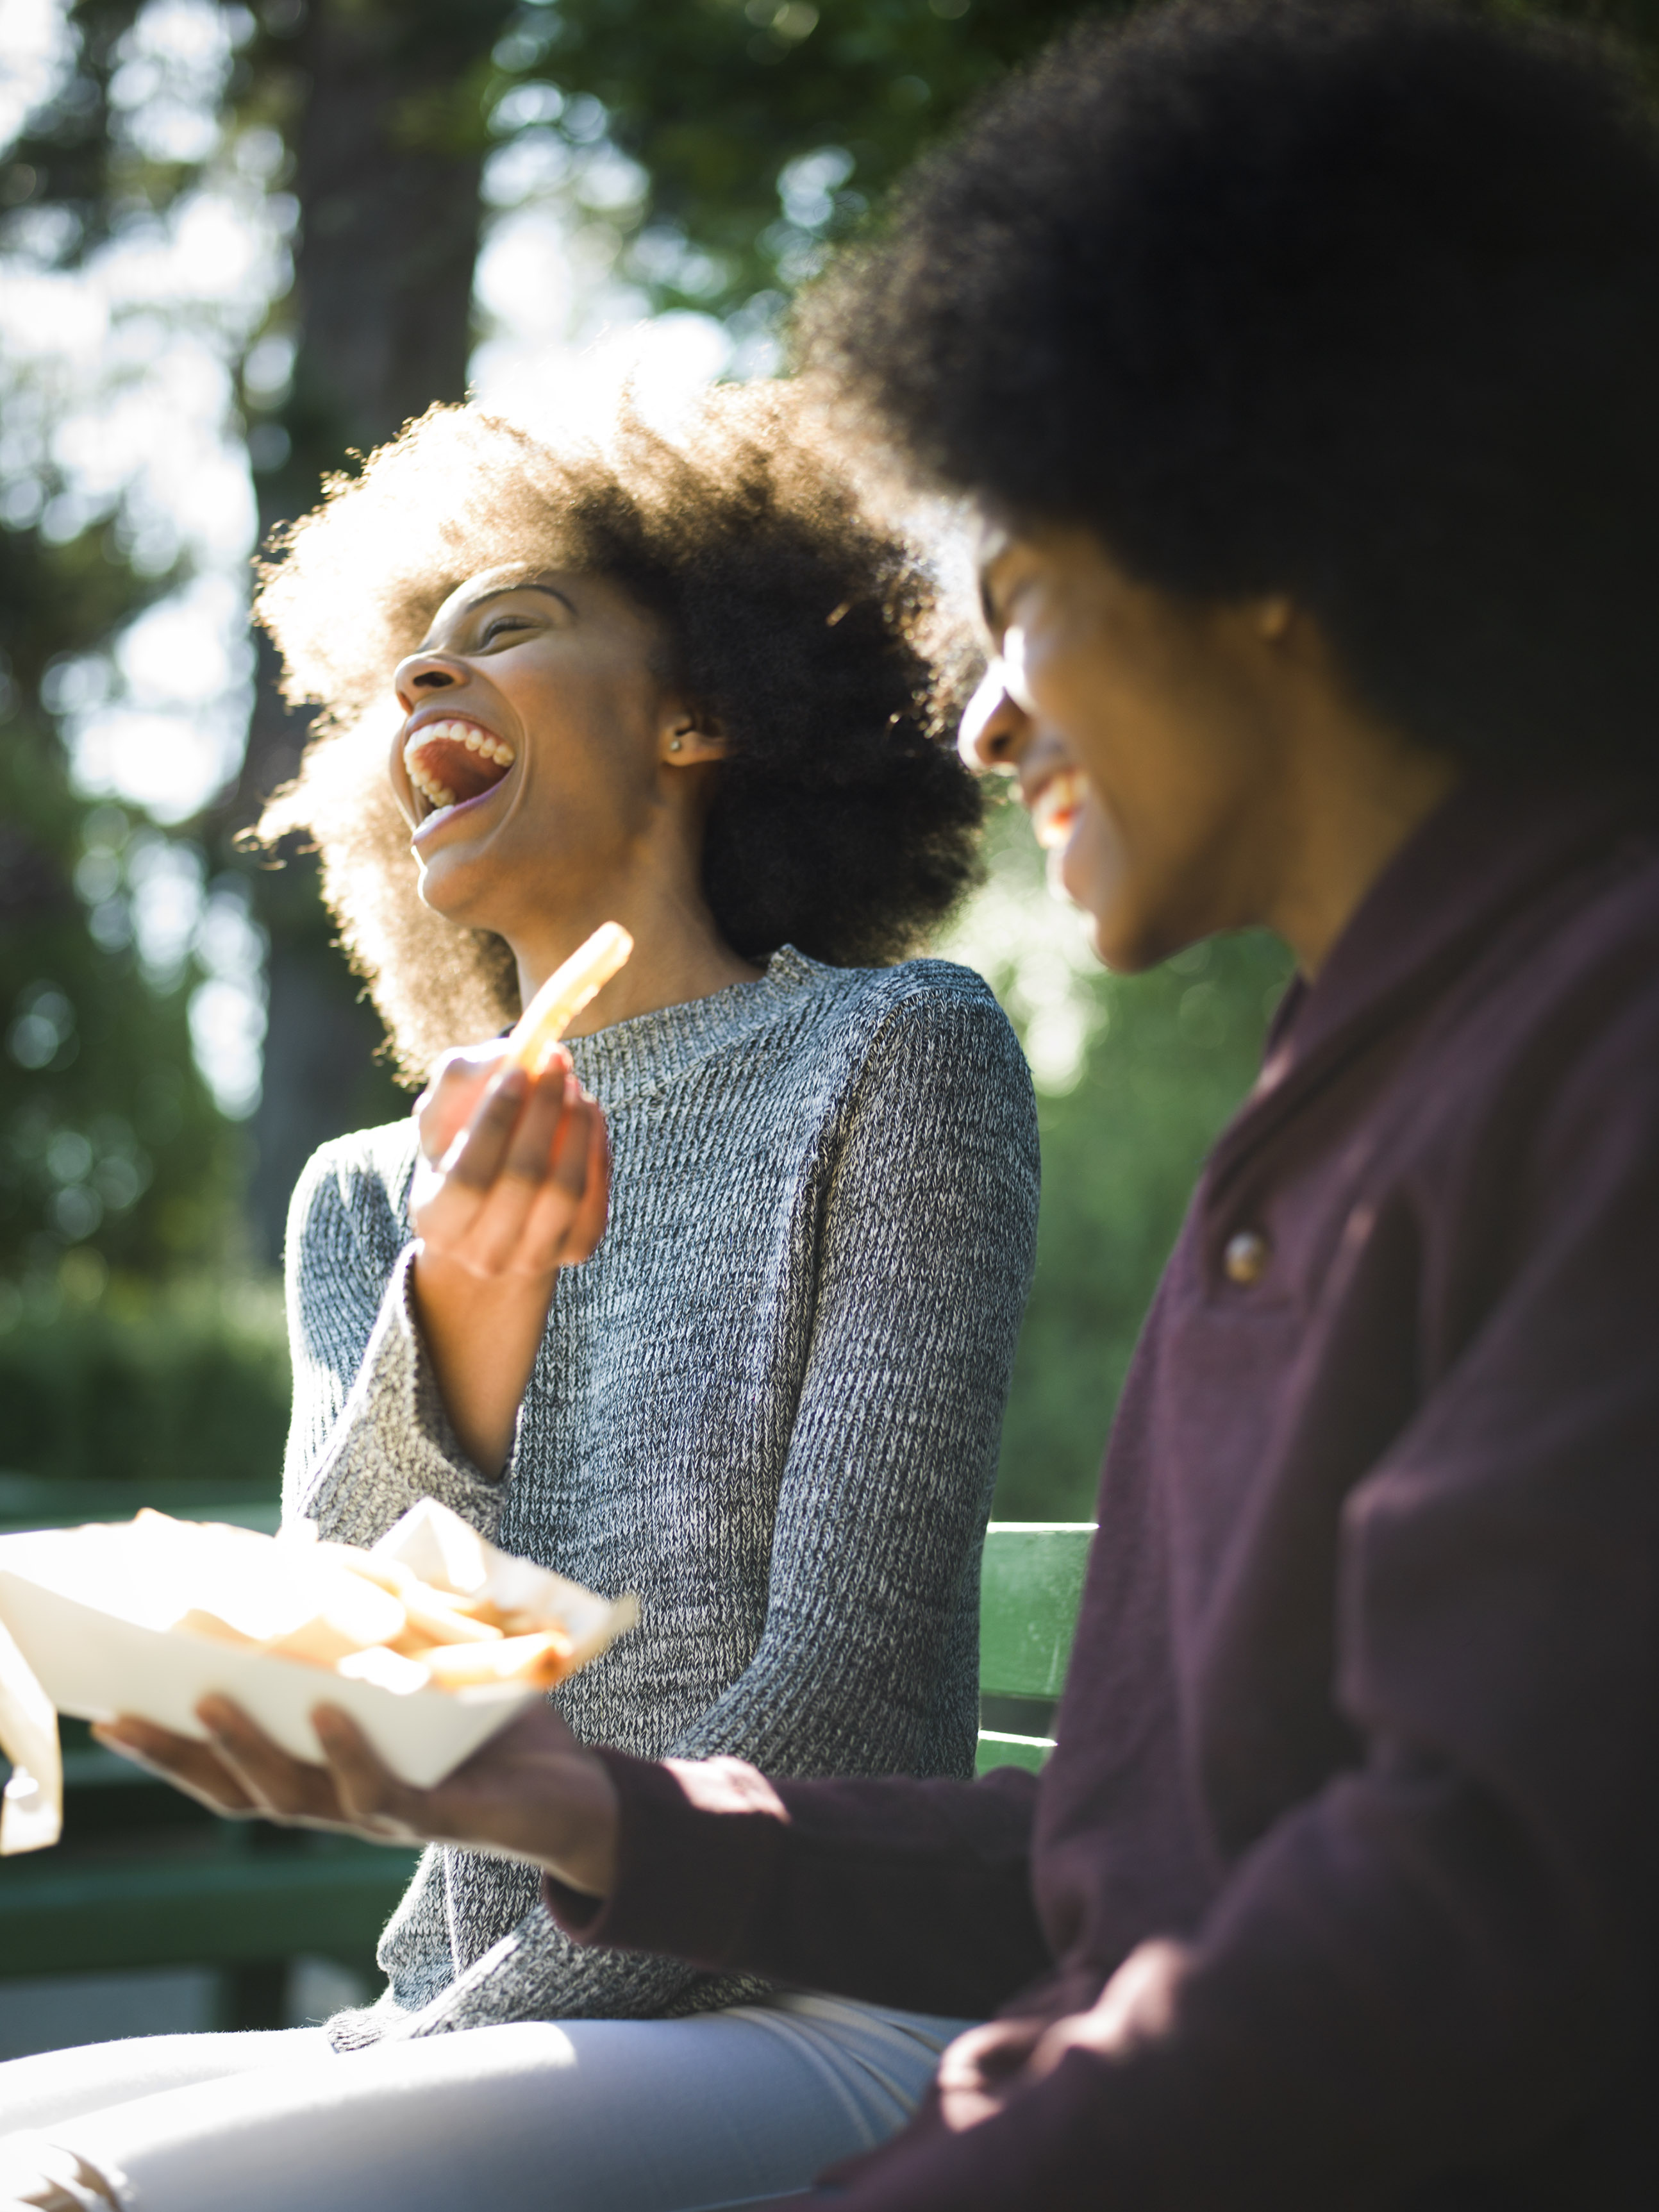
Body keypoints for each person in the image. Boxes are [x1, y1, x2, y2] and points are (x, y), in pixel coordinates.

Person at [72, 0, 1659, 2204]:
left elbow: (1440, 1900)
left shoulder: (981, 1058)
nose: (989, 721)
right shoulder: (1330, 1100)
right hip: (548, 1994)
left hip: (797, 2020)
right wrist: (476, 1443)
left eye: (1013, 604)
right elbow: (373, 1748)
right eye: (390, 661)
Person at [0, 387, 1040, 2209]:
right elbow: (333, 1712)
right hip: (474, 2023)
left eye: (506, 623)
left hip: (820, 2007)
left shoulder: (890, 1059)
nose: (422, 679)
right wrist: (458, 1342)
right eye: (399, 660)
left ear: (703, 707)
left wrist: (454, 2023)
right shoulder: (364, 1194)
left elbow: (848, 1705)